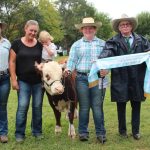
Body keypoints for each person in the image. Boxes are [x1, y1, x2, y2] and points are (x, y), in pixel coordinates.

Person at [99, 14, 150, 140]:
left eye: (127, 24)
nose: (125, 26)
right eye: (122, 25)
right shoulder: (112, 42)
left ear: (131, 26)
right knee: (121, 105)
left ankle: (136, 131)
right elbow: (106, 53)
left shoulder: (142, 41)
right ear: (119, 28)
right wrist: (102, 64)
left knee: (136, 104)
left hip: (137, 78)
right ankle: (122, 131)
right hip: (120, 78)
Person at [65, 17, 108, 143]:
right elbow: (72, 61)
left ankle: (101, 133)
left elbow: (107, 61)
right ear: (82, 30)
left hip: (98, 77)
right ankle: (83, 132)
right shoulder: (76, 45)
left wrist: (106, 70)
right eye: (85, 28)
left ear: (95, 29)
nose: (88, 30)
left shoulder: (103, 43)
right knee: (84, 106)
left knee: (97, 106)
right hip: (82, 78)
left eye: (91, 28)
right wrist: (68, 69)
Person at [9, 20, 43, 142]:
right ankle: (19, 134)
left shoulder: (39, 45)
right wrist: (14, 80)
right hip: (23, 81)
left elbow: (42, 62)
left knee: (37, 106)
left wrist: (41, 67)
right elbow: (12, 62)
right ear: (25, 29)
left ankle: (37, 131)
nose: (33, 33)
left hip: (38, 82)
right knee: (23, 106)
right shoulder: (16, 44)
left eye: (35, 31)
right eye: (31, 30)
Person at [0, 20, 11, 143]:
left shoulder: (7, 43)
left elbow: (11, 61)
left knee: (2, 106)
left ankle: (3, 133)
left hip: (4, 78)